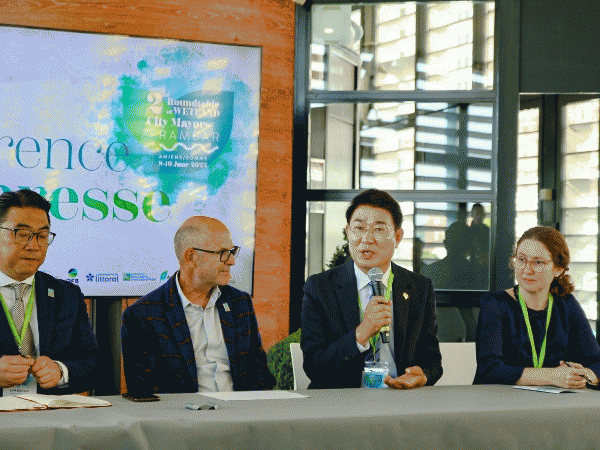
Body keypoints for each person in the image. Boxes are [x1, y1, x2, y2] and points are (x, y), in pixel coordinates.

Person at [301, 189, 442, 389]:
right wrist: (362, 332)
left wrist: (423, 375)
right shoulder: (320, 288)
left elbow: (432, 362)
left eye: (379, 229)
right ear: (348, 232)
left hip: (400, 396)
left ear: (398, 236)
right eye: (359, 228)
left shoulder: (420, 288)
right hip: (341, 399)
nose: (367, 238)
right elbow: (314, 366)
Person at [121, 216, 275, 394]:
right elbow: (145, 389)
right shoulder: (143, 315)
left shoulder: (239, 303)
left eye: (232, 251)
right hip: (182, 411)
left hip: (240, 409)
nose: (231, 261)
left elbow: (259, 372)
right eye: (222, 253)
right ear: (191, 257)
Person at [0, 189, 101, 395]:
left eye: (42, 236)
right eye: (22, 234)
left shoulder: (67, 295)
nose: (34, 246)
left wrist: (61, 371)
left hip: (51, 413)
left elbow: (94, 367)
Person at [474, 226, 600, 387]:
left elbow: (596, 361)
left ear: (558, 269)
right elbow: (489, 370)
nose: (527, 270)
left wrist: (585, 375)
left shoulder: (567, 304)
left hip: (554, 401)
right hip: (501, 400)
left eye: (538, 262)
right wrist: (552, 376)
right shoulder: (495, 304)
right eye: (521, 260)